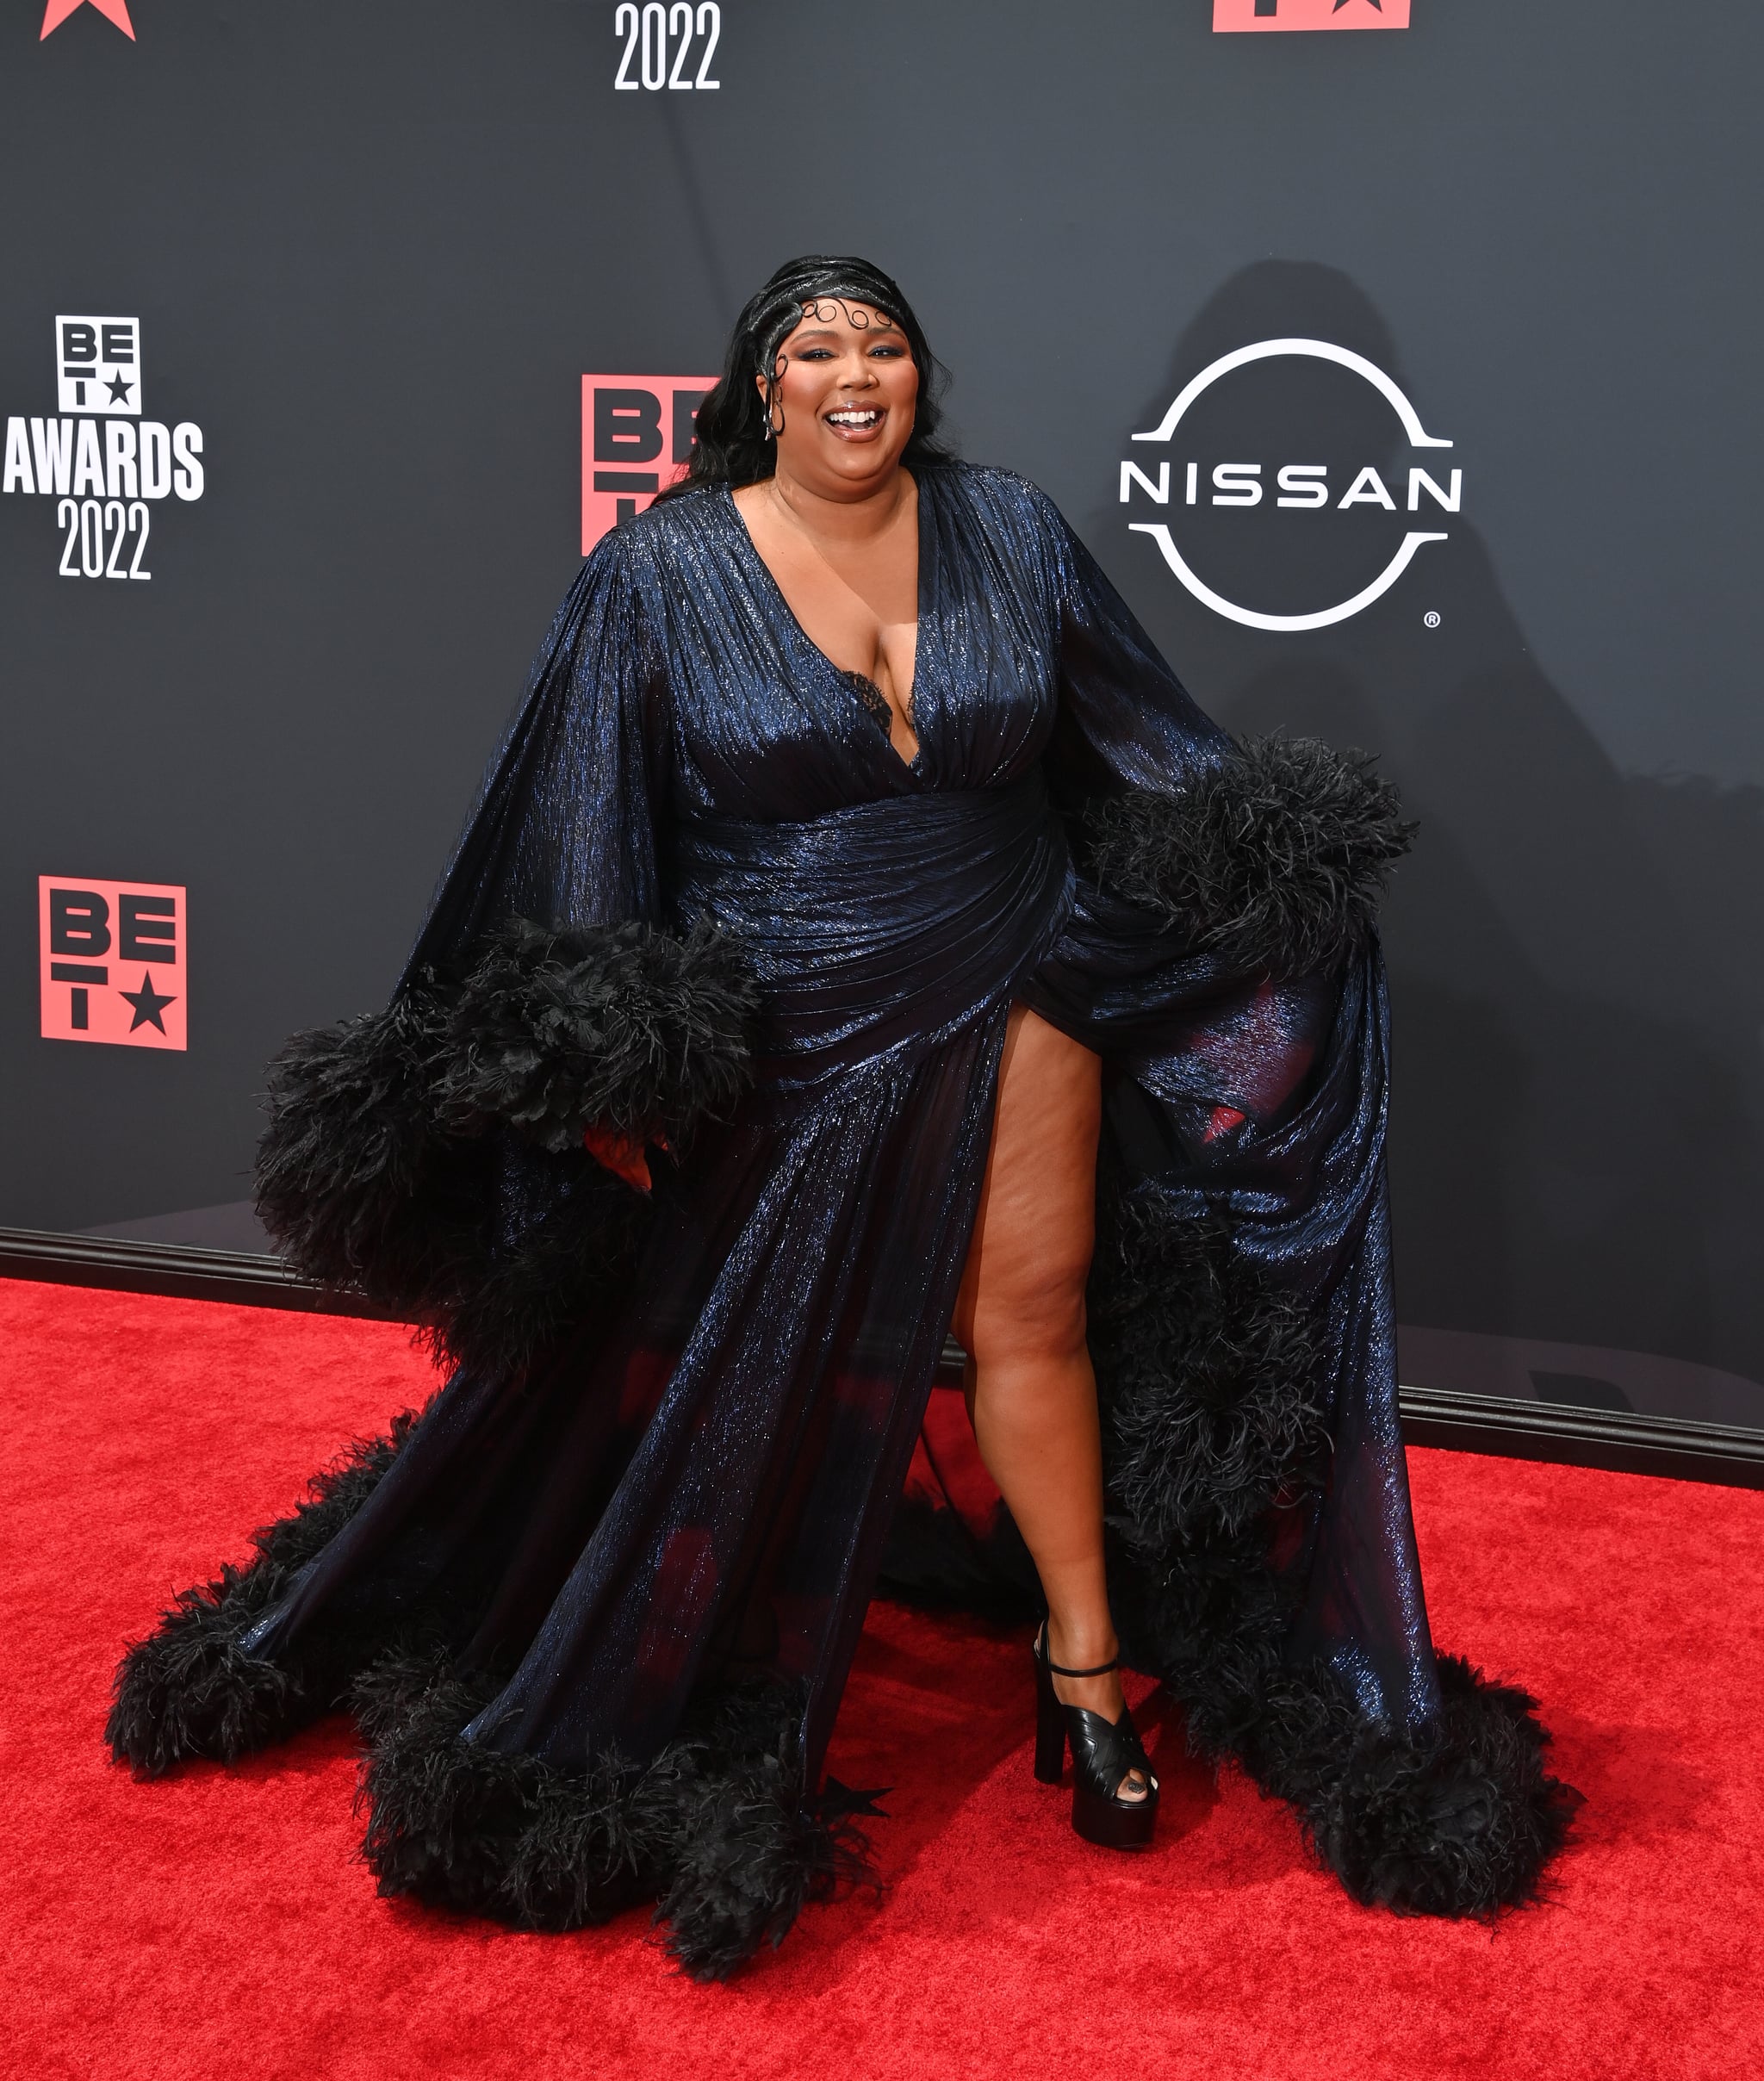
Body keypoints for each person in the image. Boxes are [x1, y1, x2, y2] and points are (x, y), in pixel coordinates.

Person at [109, 256, 1573, 1978]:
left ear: (916, 373)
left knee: (1029, 1322)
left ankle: (1084, 1667)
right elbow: (589, 806)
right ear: (762, 383)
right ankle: (679, 1627)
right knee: (739, 1359)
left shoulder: (1012, 533)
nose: (856, 373)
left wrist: (1274, 885)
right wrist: (605, 1060)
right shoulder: (657, 571)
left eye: (882, 343)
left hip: (1021, 970)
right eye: (818, 347)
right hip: (783, 1032)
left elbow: (1141, 753)